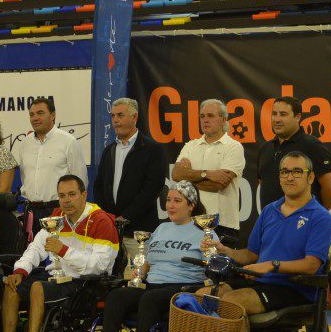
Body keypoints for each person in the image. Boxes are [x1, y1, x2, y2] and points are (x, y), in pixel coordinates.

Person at [201, 151, 331, 332]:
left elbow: (311, 265)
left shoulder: (320, 217)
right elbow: (251, 254)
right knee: (202, 296)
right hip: (262, 282)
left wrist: (273, 265)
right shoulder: (270, 211)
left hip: (294, 288)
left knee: (233, 302)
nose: (290, 177)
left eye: (297, 172)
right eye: (285, 172)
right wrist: (226, 251)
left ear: (310, 177)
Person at [85, 181, 207, 332]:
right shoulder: (161, 228)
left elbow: (210, 261)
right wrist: (139, 273)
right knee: (116, 295)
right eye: (168, 200)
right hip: (153, 285)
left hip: (182, 288)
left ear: (191, 205)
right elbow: (149, 260)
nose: (171, 205)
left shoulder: (202, 230)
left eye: (177, 201)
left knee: (149, 298)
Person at [0, 175, 118, 332]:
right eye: (62, 196)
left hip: (84, 284)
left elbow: (99, 266)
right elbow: (35, 248)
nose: (66, 200)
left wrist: (64, 251)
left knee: (38, 287)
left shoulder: (101, 221)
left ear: (84, 195)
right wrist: (21, 270)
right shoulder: (56, 218)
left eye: (72, 194)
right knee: (12, 286)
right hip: (56, 278)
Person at [257, 96, 331, 332]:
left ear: (298, 118)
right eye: (274, 114)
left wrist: (309, 217)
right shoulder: (266, 149)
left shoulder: (312, 147)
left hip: (305, 229)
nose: (277, 118)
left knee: (312, 292)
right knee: (282, 290)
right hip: (275, 224)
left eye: (283, 114)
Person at [91, 97, 166, 272]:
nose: (115, 120)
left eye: (120, 115)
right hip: (110, 232)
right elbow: (99, 185)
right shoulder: (109, 150)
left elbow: (152, 189)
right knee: (111, 280)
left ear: (134, 117)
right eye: (112, 116)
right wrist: (108, 218)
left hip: (139, 232)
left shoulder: (152, 149)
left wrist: (125, 217)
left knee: (140, 280)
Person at [170, 99, 246, 246]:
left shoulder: (233, 147)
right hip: (190, 222)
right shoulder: (191, 146)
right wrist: (207, 174)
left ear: (223, 119)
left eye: (210, 116)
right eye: (202, 116)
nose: (205, 120)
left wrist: (188, 182)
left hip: (222, 224)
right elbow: (176, 175)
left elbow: (218, 185)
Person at [14, 97, 87, 227]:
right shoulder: (25, 143)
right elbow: (25, 178)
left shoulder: (68, 142)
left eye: (40, 113)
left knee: (58, 247)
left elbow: (80, 182)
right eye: (32, 115)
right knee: (32, 248)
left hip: (58, 210)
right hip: (31, 212)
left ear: (53, 115)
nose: (35, 118)